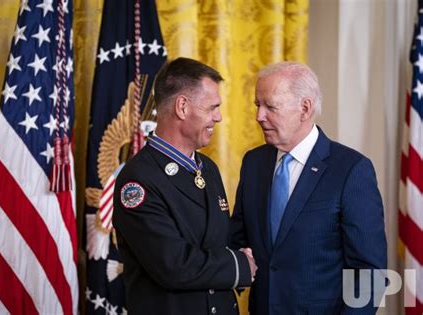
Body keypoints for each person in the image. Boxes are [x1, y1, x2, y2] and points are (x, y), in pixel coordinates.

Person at [230, 61, 387, 314]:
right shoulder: (254, 163)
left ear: (305, 108)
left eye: (271, 106)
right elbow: (238, 238)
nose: (259, 116)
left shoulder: (351, 169)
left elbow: (370, 274)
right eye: (258, 105)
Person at [113, 57, 257, 315]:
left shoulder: (208, 168)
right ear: (182, 107)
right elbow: (173, 265)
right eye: (212, 107)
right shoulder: (138, 180)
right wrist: (240, 266)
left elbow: (217, 243)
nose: (219, 117)